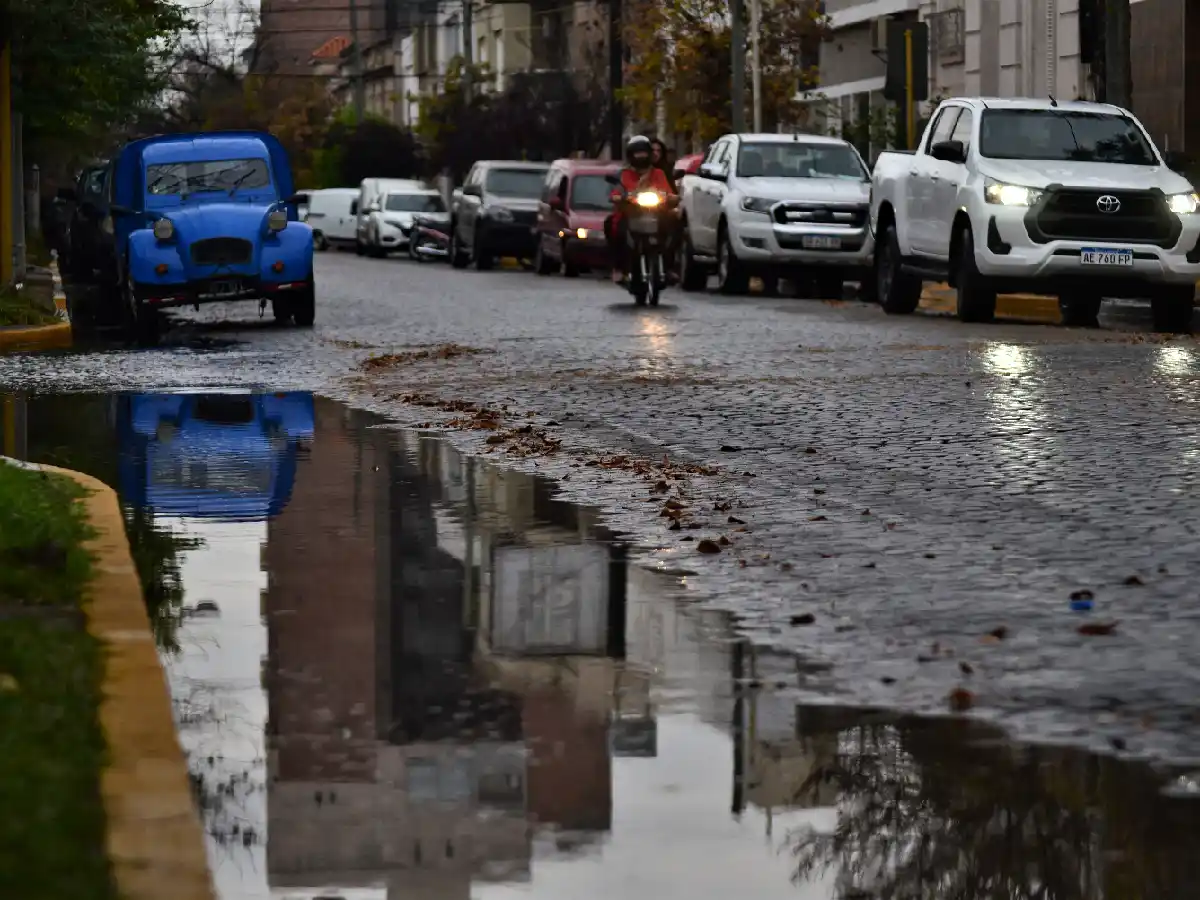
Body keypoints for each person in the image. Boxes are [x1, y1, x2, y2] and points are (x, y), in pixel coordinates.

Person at [605, 135, 675, 283]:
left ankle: (668, 266)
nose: (641, 156)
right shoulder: (624, 174)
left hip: (655, 213)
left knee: (673, 225)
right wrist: (618, 197)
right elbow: (616, 192)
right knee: (616, 229)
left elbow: (669, 192)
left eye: (644, 152)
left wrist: (671, 198)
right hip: (631, 213)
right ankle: (618, 268)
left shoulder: (658, 173)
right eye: (637, 153)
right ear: (631, 155)